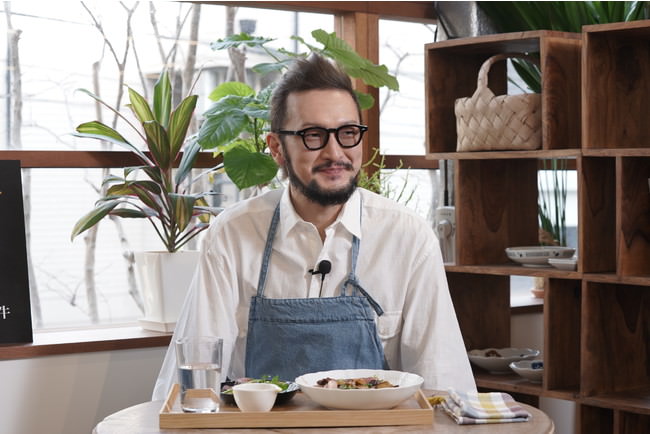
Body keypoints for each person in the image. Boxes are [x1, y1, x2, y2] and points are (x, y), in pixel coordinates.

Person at [152, 54, 475, 400]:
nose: (335, 152)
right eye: (313, 135)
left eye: (348, 133)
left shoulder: (407, 237)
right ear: (276, 147)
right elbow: (192, 384)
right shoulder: (232, 234)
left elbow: (442, 385)